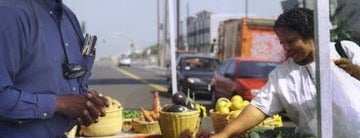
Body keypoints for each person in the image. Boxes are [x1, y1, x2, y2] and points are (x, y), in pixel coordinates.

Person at [211, 8, 360, 138]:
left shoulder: (345, 50)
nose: (286, 48)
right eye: (282, 43)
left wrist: (355, 71)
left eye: (291, 41)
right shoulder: (281, 76)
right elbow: (259, 108)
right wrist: (225, 134)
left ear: (311, 35)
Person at [0, 0, 108, 137]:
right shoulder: (9, 13)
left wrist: (86, 104)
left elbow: (75, 80)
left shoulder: (69, 18)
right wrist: (59, 104)